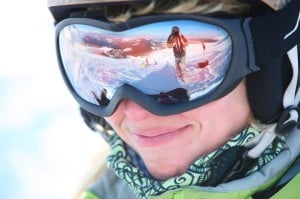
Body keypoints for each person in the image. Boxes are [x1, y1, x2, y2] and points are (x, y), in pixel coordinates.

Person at [47, 0, 300, 198]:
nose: (136, 113)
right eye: (102, 68)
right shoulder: (98, 191)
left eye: (190, 78)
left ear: (273, 71)